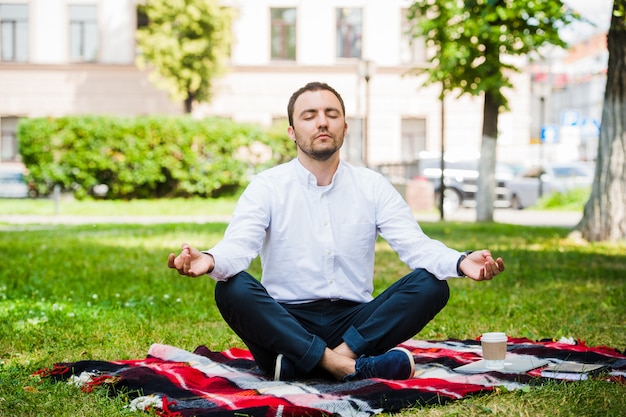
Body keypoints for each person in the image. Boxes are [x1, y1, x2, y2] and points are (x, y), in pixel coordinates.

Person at [168, 81, 505, 382]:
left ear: (345, 126)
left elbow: (416, 245)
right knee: (232, 289)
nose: (322, 121)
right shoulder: (267, 186)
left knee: (432, 284)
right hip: (286, 321)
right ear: (291, 131)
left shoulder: (371, 185)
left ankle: (314, 363)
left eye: (331, 113)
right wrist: (210, 260)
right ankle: (348, 368)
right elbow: (239, 246)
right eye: (309, 115)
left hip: (357, 325)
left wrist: (461, 262)